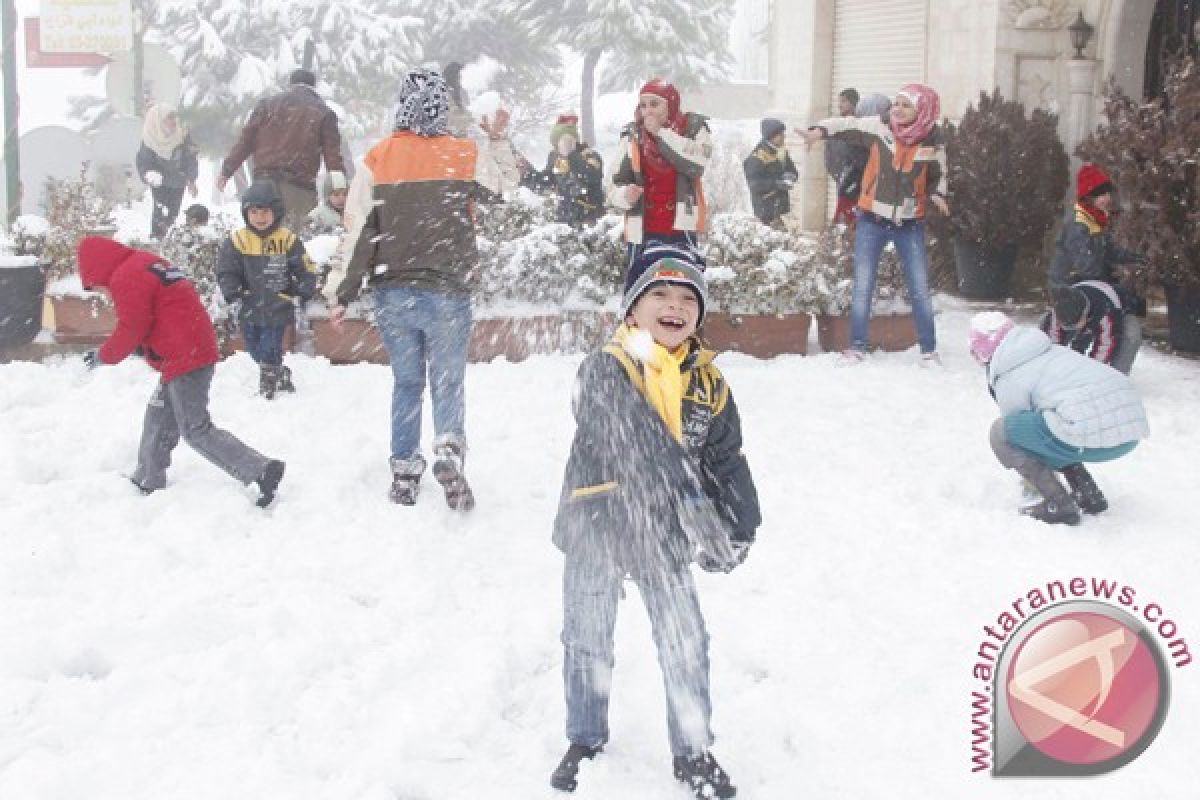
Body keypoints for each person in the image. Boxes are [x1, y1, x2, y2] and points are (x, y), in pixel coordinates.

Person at [549, 248, 760, 799]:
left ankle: (693, 752)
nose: (674, 306)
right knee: (587, 638)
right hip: (598, 522)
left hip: (661, 533)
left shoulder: (707, 383)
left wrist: (740, 523)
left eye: (688, 299)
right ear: (632, 311)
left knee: (684, 641)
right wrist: (694, 506)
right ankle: (586, 738)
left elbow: (727, 457)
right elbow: (635, 442)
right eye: (660, 295)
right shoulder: (606, 365)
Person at [326, 67, 512, 511]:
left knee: (407, 383)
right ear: (441, 107)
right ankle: (448, 448)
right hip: (448, 290)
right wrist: (497, 141)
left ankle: (405, 471)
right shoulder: (463, 154)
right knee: (447, 381)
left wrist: (340, 292)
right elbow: (505, 188)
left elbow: (357, 233)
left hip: (394, 291)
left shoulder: (378, 158)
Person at [76, 236, 285, 507]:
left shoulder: (126, 277)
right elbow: (163, 311)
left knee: (195, 429)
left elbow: (133, 326)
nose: (103, 293)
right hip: (188, 350)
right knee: (158, 417)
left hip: (186, 357)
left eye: (97, 287)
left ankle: (261, 470)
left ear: (97, 269)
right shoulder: (146, 263)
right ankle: (147, 478)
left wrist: (103, 355)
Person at [797, 83, 950, 364]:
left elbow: (939, 174)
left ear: (923, 110)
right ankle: (857, 347)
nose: (898, 110)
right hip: (872, 220)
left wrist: (938, 193)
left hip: (909, 224)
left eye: (907, 105)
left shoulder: (932, 140)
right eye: (897, 103)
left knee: (918, 287)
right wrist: (819, 132)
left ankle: (929, 350)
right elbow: (846, 124)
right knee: (863, 285)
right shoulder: (880, 129)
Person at [968, 312, 1149, 526]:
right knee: (1056, 425)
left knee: (1002, 433)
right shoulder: (1051, 351)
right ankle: (1088, 494)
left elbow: (1020, 437)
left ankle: (1059, 504)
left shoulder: (1009, 373)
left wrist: (1031, 482)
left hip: (1094, 435)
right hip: (1129, 431)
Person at [217, 181, 318, 399]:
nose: (259, 217)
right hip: (248, 304)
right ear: (246, 213)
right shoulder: (237, 242)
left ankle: (268, 387)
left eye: (265, 212)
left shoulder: (287, 240)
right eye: (253, 212)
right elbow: (226, 271)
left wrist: (303, 291)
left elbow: (306, 269)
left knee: (270, 347)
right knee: (254, 348)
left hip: (278, 305)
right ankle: (280, 372)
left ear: (276, 212)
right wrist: (233, 293)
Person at [610, 78, 712, 287]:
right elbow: (612, 185)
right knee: (642, 291)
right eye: (643, 105)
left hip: (681, 229)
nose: (648, 111)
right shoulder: (633, 135)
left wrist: (662, 134)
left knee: (682, 290)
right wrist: (625, 195)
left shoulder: (692, 127)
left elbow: (697, 163)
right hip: (643, 232)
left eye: (654, 104)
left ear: (671, 104)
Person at [216, 69, 346, 231]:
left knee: (261, 237)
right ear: (314, 87)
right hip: (299, 187)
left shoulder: (266, 105)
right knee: (293, 242)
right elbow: (332, 156)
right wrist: (341, 188)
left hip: (263, 184)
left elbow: (245, 141)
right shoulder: (323, 113)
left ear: (290, 84)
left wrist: (226, 170)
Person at [1048, 164, 1145, 374]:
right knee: (1101, 329)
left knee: (1116, 329)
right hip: (1070, 291)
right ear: (1088, 197)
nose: (1107, 198)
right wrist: (1114, 288)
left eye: (1107, 193)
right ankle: (1067, 373)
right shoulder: (1078, 223)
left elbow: (1107, 252)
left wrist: (1133, 258)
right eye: (1100, 194)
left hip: (1088, 288)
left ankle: (1108, 375)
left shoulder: (1096, 218)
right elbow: (1087, 265)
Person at [521, 113, 605, 227]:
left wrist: (572, 156)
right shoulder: (555, 157)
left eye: (560, 144)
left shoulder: (590, 156)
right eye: (556, 146)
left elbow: (591, 176)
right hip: (564, 218)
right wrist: (527, 173)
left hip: (589, 218)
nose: (558, 149)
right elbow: (546, 183)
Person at [136, 104, 198, 239]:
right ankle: (156, 241)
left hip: (178, 182)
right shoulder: (149, 139)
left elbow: (190, 158)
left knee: (173, 214)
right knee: (160, 213)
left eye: (174, 117)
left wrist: (191, 179)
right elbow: (143, 162)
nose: (173, 121)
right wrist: (148, 174)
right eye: (168, 118)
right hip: (159, 183)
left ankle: (169, 243)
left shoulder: (182, 136)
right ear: (158, 121)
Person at [1040, 283, 1124, 367]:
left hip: (1120, 311)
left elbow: (1105, 346)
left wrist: (1090, 370)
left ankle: (1115, 376)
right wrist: (1054, 363)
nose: (1073, 328)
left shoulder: (1107, 314)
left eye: (1075, 325)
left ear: (1085, 313)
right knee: (1045, 322)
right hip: (1086, 310)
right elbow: (1053, 338)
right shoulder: (1060, 307)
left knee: (1131, 334)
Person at [742, 117, 798, 228]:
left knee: (782, 240)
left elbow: (793, 171)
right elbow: (755, 185)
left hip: (780, 209)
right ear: (771, 136)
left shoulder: (781, 152)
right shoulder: (756, 157)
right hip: (765, 210)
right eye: (780, 134)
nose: (783, 137)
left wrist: (791, 177)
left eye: (783, 134)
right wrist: (776, 184)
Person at [824, 88, 860, 226]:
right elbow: (829, 155)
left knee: (853, 217)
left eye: (844, 101)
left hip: (857, 182)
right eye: (839, 102)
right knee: (844, 217)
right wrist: (839, 175)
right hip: (843, 179)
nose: (840, 105)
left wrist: (853, 175)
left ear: (854, 103)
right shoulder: (836, 127)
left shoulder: (861, 127)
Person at [305, 170, 349, 235]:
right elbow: (307, 233)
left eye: (345, 194)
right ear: (327, 196)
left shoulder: (350, 212)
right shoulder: (318, 214)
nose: (341, 198)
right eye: (336, 195)